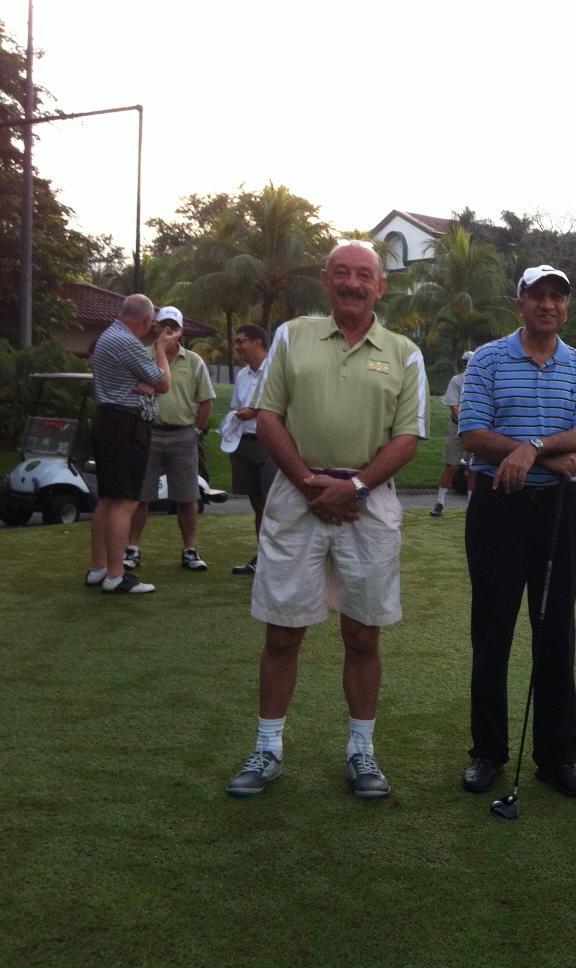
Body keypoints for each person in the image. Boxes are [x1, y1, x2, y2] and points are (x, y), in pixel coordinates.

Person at [225, 240, 426, 801]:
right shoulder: (292, 336)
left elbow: (408, 438)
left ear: (380, 286)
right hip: (298, 495)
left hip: (369, 499)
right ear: (325, 279)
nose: (352, 283)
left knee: (362, 634)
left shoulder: (405, 352)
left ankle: (361, 750)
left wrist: (354, 487)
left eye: (364, 274)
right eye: (342, 272)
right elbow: (268, 418)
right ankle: (267, 748)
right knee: (282, 630)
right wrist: (309, 483)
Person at [457, 265, 576, 799]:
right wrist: (544, 453)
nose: (547, 304)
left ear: (566, 307)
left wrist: (531, 448)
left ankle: (557, 757)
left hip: (557, 512)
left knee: (556, 632)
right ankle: (487, 752)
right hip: (497, 507)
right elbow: (473, 432)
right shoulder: (489, 359)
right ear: (519, 303)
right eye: (537, 295)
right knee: (491, 631)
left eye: (557, 296)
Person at [84, 295, 177, 595]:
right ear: (147, 321)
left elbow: (150, 382)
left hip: (108, 420)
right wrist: (161, 348)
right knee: (125, 501)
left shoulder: (107, 336)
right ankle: (116, 574)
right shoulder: (126, 341)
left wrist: (149, 384)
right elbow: (163, 382)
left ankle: (98, 568)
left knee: (108, 498)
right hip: (124, 424)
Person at [125, 306, 215, 572]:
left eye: (173, 326)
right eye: (164, 324)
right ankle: (132, 549)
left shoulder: (194, 361)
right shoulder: (141, 355)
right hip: (148, 433)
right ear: (155, 327)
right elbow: (131, 390)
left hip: (183, 434)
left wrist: (195, 431)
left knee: (187, 496)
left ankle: (190, 549)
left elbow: (206, 401)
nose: (168, 330)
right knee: (140, 496)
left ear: (181, 331)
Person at [221, 324, 277, 575]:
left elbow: (284, 405)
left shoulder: (276, 369)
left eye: (241, 341)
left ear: (257, 342)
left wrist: (255, 412)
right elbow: (236, 406)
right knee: (257, 502)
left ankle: (278, 559)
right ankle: (262, 557)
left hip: (270, 444)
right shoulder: (242, 375)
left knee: (273, 503)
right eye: (236, 342)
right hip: (243, 443)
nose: (236, 347)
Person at [430, 349, 475, 517]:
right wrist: (466, 423)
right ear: (463, 363)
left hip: (476, 430)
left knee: (473, 467)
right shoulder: (457, 381)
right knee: (451, 466)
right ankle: (440, 502)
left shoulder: (482, 381)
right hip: (457, 427)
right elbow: (453, 406)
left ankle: (471, 505)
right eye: (466, 362)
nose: (469, 365)